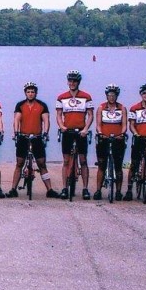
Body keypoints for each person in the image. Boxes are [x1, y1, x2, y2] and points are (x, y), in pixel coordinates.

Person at [11, 82, 59, 198]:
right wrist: (16, 133)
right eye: (28, 91)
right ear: (25, 93)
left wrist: (45, 133)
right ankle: (13, 189)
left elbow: (46, 120)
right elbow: (17, 119)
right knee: (19, 163)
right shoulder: (20, 105)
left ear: (36, 93)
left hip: (37, 137)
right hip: (23, 137)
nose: (30, 94)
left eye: (32, 91)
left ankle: (49, 189)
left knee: (42, 164)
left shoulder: (42, 105)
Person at [55, 70, 94, 200]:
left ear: (78, 82)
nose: (72, 83)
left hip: (81, 131)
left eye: (75, 81)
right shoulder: (61, 97)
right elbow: (59, 115)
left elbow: (90, 115)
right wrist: (61, 126)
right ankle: (65, 188)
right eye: (70, 81)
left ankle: (85, 189)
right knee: (66, 161)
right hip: (67, 131)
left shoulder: (86, 96)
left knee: (83, 160)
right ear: (67, 82)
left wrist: (86, 129)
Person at [93, 84, 128, 201]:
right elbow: (98, 124)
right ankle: (98, 190)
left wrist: (122, 134)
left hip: (118, 139)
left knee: (118, 166)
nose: (111, 97)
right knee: (102, 165)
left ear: (117, 96)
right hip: (104, 138)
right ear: (106, 96)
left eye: (114, 95)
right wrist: (100, 133)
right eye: (109, 95)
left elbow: (124, 124)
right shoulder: (101, 107)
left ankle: (118, 192)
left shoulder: (122, 108)